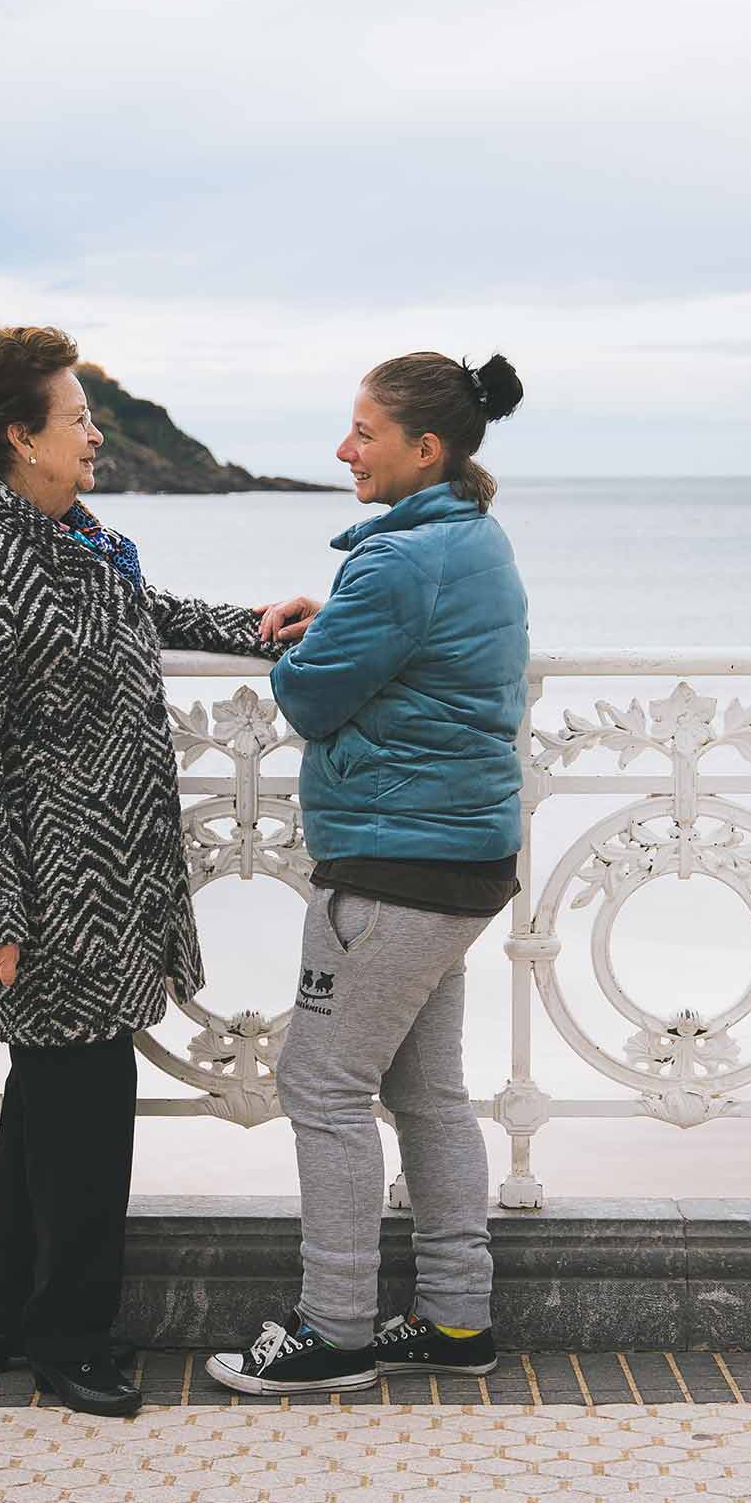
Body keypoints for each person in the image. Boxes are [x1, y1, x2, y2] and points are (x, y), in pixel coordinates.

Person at [0, 326, 289, 1418]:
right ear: (19, 434)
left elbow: (151, 613)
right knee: (84, 1110)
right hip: (42, 884)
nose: (95, 430)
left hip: (108, 875)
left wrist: (261, 627)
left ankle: (5, 1317)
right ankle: (71, 1339)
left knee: (49, 1098)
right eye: (76, 415)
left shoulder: (74, 535)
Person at [208, 351, 528, 1394]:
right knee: (427, 1091)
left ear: (422, 448)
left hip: (393, 862)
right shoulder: (472, 539)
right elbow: (384, 647)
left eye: (363, 433)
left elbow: (307, 700)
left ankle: (335, 1326)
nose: (344, 450)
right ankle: (452, 1318)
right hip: (463, 855)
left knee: (322, 1082)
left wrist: (305, 643)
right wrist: (334, 625)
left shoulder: (396, 562)